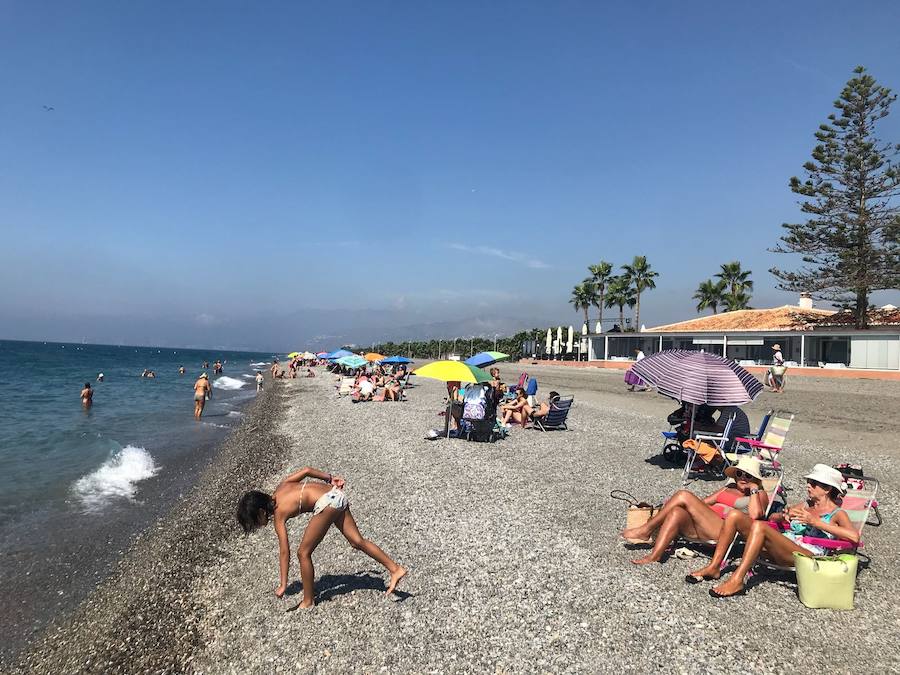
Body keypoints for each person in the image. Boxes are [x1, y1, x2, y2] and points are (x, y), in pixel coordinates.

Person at [236, 467, 406, 608]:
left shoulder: (279, 516)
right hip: (336, 495)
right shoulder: (282, 486)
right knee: (356, 541)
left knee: (303, 553)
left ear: (260, 511)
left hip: (327, 502)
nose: (258, 525)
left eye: (255, 521)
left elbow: (284, 552)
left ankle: (308, 600)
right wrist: (330, 478)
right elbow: (306, 470)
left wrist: (283, 584)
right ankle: (395, 569)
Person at [687, 464, 857, 598]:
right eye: (808, 482)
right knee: (734, 516)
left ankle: (737, 580)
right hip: (785, 545)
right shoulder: (806, 505)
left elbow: (854, 537)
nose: (808, 486)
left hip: (807, 555)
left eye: (813, 484)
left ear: (827, 489)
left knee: (760, 527)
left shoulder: (837, 513)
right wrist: (783, 515)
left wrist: (816, 523)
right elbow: (772, 518)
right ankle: (714, 566)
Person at [622, 457, 770, 564]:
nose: (742, 477)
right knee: (677, 512)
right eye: (739, 473)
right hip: (704, 526)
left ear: (755, 478)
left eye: (748, 475)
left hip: (724, 530)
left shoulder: (759, 494)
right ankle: (655, 555)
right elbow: (703, 503)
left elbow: (756, 515)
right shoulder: (728, 488)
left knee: (683, 495)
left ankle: (646, 530)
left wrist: (754, 490)